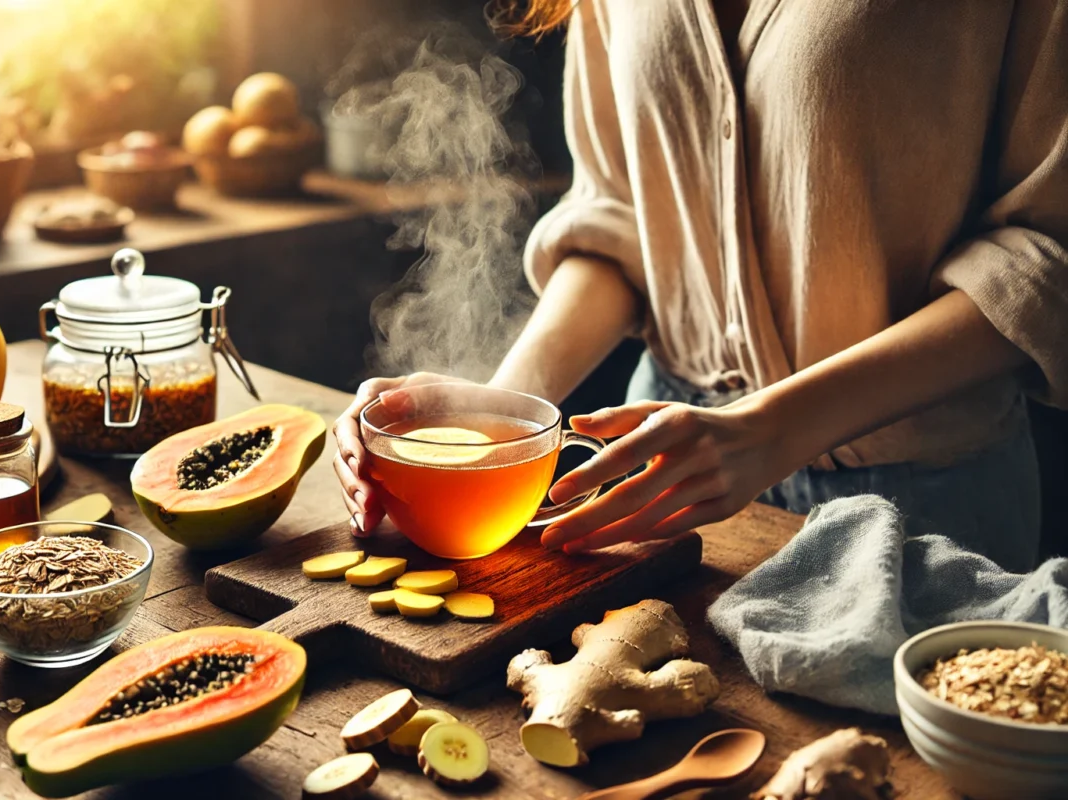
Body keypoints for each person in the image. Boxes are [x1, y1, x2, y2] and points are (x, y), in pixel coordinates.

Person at [334, 0, 1068, 573]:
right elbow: (623, 217)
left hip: (921, 495)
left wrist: (773, 427)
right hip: (660, 480)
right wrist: (501, 416)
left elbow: (1043, 254)